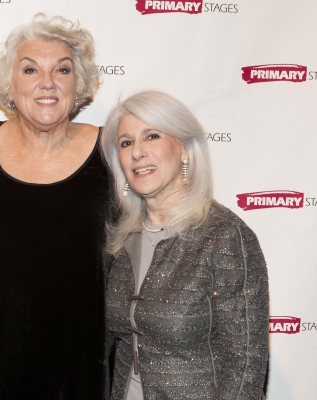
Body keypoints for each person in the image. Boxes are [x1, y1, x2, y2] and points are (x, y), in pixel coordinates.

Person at [0, 13, 111, 399]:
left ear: (80, 82)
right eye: (30, 69)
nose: (47, 83)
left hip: (81, 369)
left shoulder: (111, 150)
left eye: (62, 69)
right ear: (9, 85)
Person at [101, 90, 269, 399]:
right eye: (126, 143)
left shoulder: (224, 236)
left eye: (151, 136)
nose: (137, 152)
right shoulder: (124, 238)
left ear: (185, 150)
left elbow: (245, 363)